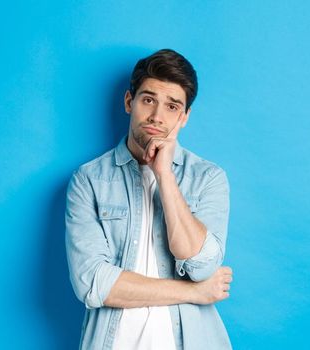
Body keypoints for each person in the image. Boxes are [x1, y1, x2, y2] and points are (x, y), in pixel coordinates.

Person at [65, 49, 233, 350]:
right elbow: (92, 283)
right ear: (129, 102)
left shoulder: (208, 178)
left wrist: (164, 175)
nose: (157, 116)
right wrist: (194, 292)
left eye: (172, 106)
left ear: (184, 117)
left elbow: (201, 267)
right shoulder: (89, 179)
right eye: (148, 100)